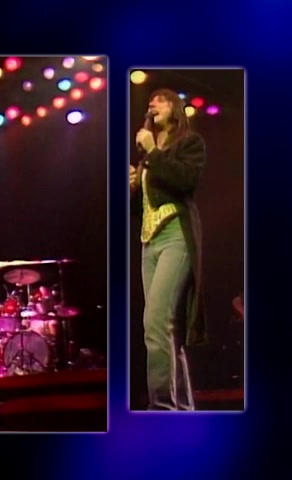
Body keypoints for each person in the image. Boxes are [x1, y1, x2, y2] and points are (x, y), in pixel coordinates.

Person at [130, 88, 206, 411]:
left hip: (176, 234)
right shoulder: (148, 154)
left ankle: (161, 407)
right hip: (149, 242)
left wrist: (152, 152)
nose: (153, 103)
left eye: (160, 100)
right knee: (164, 329)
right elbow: (144, 208)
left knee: (156, 322)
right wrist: (134, 188)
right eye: (151, 101)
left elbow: (185, 181)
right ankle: (182, 410)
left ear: (175, 108)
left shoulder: (189, 143)